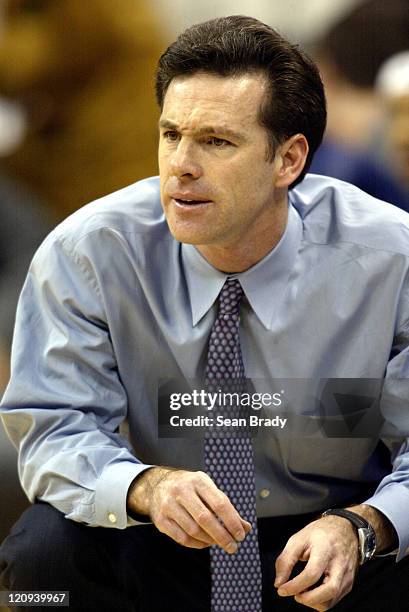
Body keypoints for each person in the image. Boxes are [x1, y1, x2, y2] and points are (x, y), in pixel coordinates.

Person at [1, 15, 409, 612]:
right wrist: (144, 486)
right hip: (161, 536)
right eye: (171, 135)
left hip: (333, 548)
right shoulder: (89, 252)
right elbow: (52, 426)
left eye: (216, 142)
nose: (180, 166)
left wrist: (366, 525)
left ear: (288, 161)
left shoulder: (389, 259)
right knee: (40, 567)